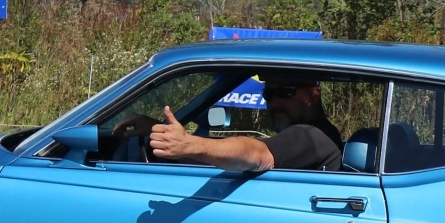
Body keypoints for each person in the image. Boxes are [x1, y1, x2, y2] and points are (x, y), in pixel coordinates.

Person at [120, 74, 345, 172]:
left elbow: (257, 154)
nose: (275, 102)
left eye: (285, 92)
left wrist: (189, 144)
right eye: (268, 94)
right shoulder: (316, 137)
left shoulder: (309, 136)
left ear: (314, 94)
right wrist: (161, 132)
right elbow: (231, 156)